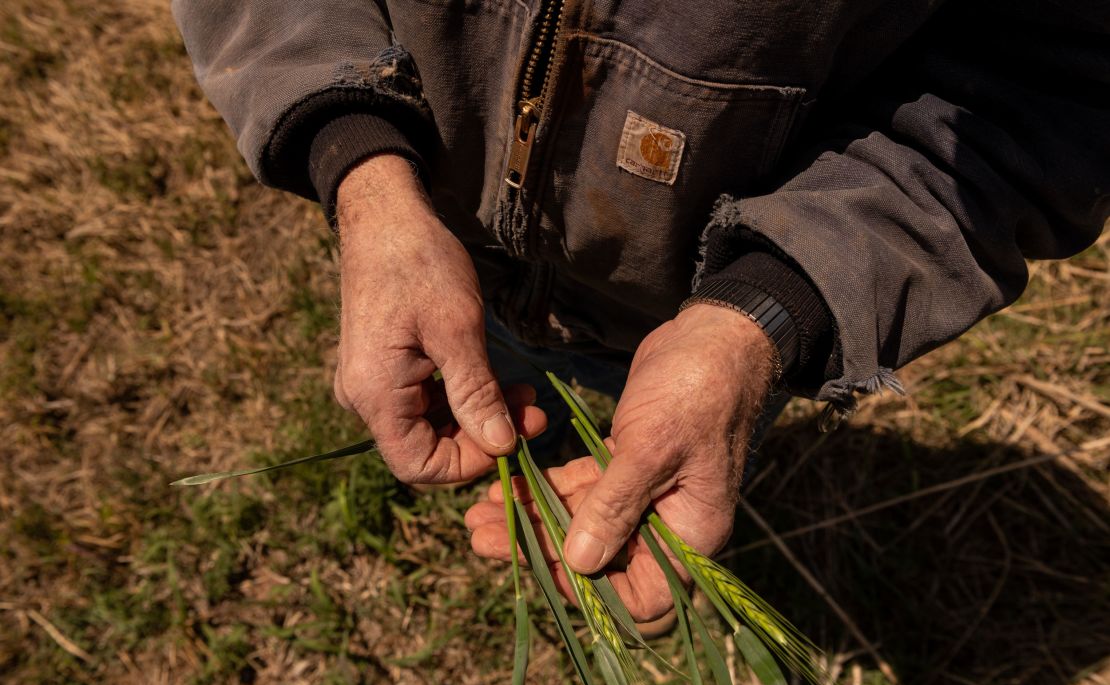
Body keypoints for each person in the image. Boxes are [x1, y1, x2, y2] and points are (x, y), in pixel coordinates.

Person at [172, 1, 1110, 624]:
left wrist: (762, 316)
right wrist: (367, 178)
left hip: (712, 299)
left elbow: (1053, 92)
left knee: (633, 454)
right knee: (521, 430)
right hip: (434, 231)